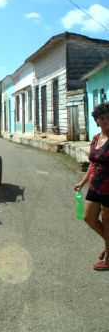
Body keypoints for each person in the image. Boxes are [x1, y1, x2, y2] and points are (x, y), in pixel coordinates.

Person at [74, 102, 109, 271]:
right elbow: (92, 164)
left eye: (108, 117)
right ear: (97, 120)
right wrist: (83, 182)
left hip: (108, 189)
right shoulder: (96, 139)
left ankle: (108, 260)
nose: (106, 120)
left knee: (108, 224)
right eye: (102, 118)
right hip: (95, 187)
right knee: (89, 217)